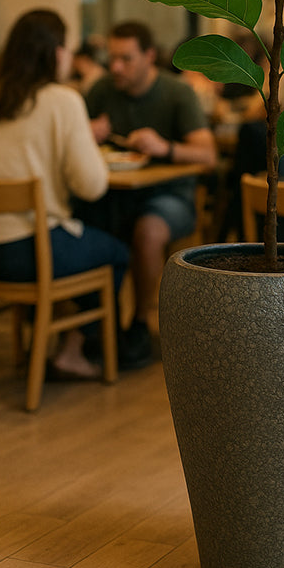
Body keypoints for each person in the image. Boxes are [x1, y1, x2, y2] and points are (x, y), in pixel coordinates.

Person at [0, 9, 130, 378]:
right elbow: (92, 187)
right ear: (55, 52)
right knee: (114, 253)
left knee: (75, 238)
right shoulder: (63, 101)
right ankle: (74, 349)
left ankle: (48, 330)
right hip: (30, 255)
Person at [84, 20, 216, 368]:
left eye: (126, 59)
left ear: (149, 57)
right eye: (112, 58)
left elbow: (208, 155)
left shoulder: (177, 93)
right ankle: (97, 326)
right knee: (82, 221)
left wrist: (165, 148)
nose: (116, 68)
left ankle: (139, 323)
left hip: (171, 196)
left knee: (147, 231)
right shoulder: (101, 90)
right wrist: (86, 134)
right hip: (111, 194)